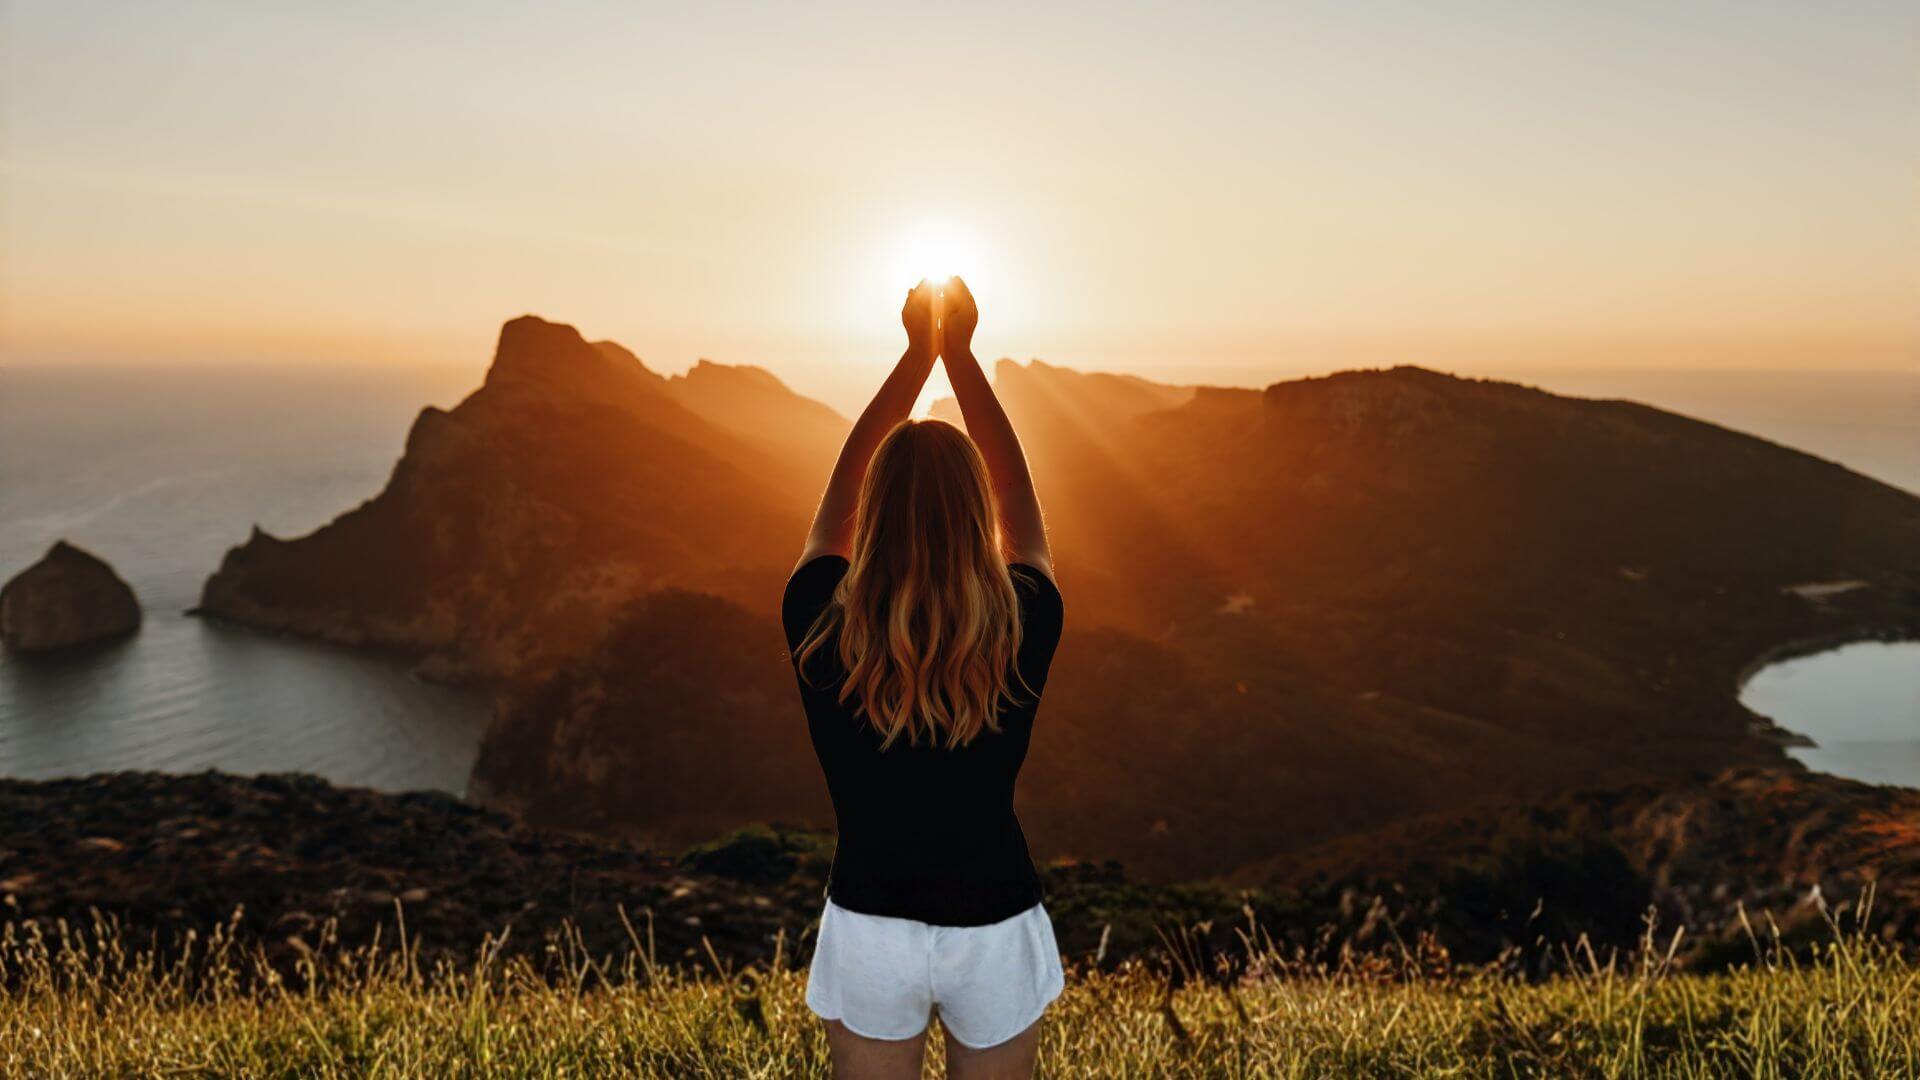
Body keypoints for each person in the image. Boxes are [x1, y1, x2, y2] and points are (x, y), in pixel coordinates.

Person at [782, 276, 1065, 1079]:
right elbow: (1019, 495)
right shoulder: (1022, 620)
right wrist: (960, 358)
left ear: (872, 512)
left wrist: (916, 357)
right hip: (995, 921)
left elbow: (838, 494)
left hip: (870, 922)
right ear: (978, 515)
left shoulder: (820, 621)